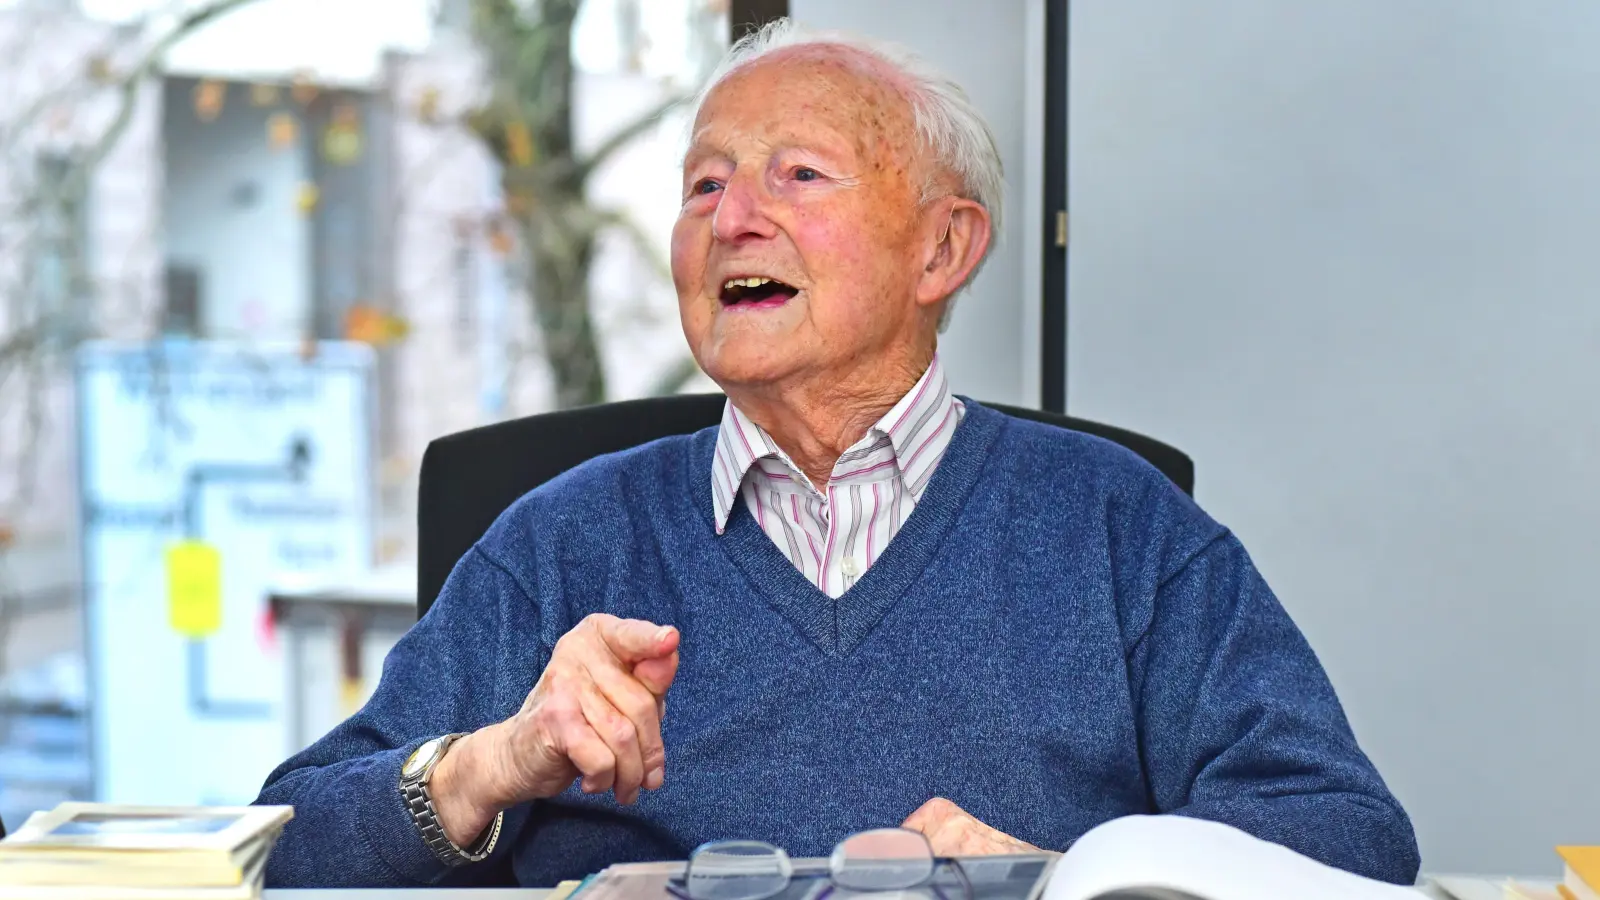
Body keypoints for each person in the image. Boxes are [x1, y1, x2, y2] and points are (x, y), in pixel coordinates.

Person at [257, 19, 1420, 888]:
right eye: (703, 183)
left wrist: (1062, 877)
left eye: (796, 175)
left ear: (942, 249)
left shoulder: (1120, 528)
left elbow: (1348, 845)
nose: (730, 218)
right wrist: (491, 765)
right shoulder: (560, 541)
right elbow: (289, 848)